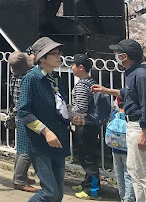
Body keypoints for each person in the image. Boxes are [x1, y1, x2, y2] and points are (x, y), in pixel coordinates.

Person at [16, 37, 85, 202]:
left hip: (58, 139)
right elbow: (24, 112)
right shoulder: (31, 78)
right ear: (41, 58)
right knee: (49, 193)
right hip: (39, 142)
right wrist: (46, 132)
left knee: (58, 195)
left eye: (59, 52)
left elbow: (58, 106)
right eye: (54, 53)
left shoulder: (56, 78)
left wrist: (72, 115)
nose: (59, 56)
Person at [92, 39, 146, 202]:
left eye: (118, 53)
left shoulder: (141, 75)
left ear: (123, 56)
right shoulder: (133, 73)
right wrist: (106, 90)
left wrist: (144, 133)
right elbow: (128, 93)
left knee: (140, 172)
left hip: (138, 126)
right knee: (134, 169)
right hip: (132, 125)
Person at [68, 54, 101, 199]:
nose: (71, 67)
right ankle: (87, 183)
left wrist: (67, 110)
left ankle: (92, 190)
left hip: (85, 125)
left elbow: (81, 109)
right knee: (88, 156)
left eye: (73, 65)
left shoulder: (81, 85)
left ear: (80, 67)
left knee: (87, 158)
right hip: (91, 124)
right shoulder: (90, 82)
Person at [8, 51, 37, 193]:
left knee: (21, 148)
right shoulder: (26, 78)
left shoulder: (14, 76)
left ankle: (19, 175)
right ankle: (19, 180)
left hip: (18, 115)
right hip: (28, 116)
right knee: (28, 149)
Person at [108, 99, 135, 202]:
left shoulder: (114, 114)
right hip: (127, 149)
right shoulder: (130, 116)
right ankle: (129, 198)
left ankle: (122, 195)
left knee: (118, 173)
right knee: (128, 174)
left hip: (115, 148)